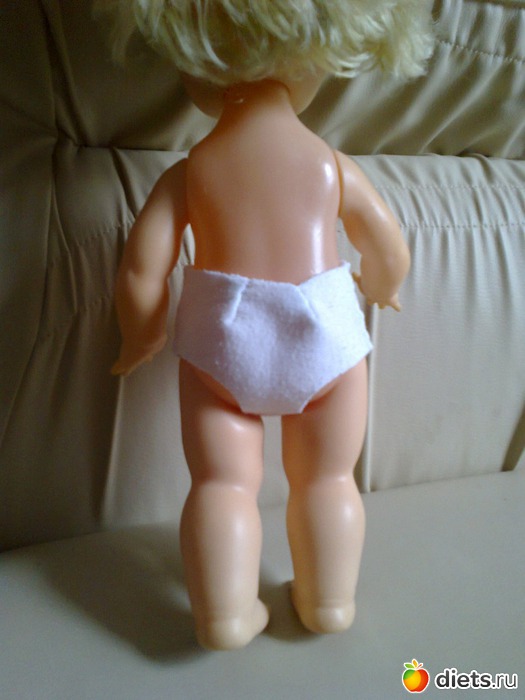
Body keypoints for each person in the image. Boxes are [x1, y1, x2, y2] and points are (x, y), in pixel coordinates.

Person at [102, 0, 434, 650]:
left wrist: (141, 335)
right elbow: (387, 245)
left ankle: (225, 616)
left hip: (224, 341)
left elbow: (142, 269)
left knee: (221, 484)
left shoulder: (192, 169)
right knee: (327, 479)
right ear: (318, 59)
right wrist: (381, 288)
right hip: (325, 333)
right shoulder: (328, 163)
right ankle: (327, 602)